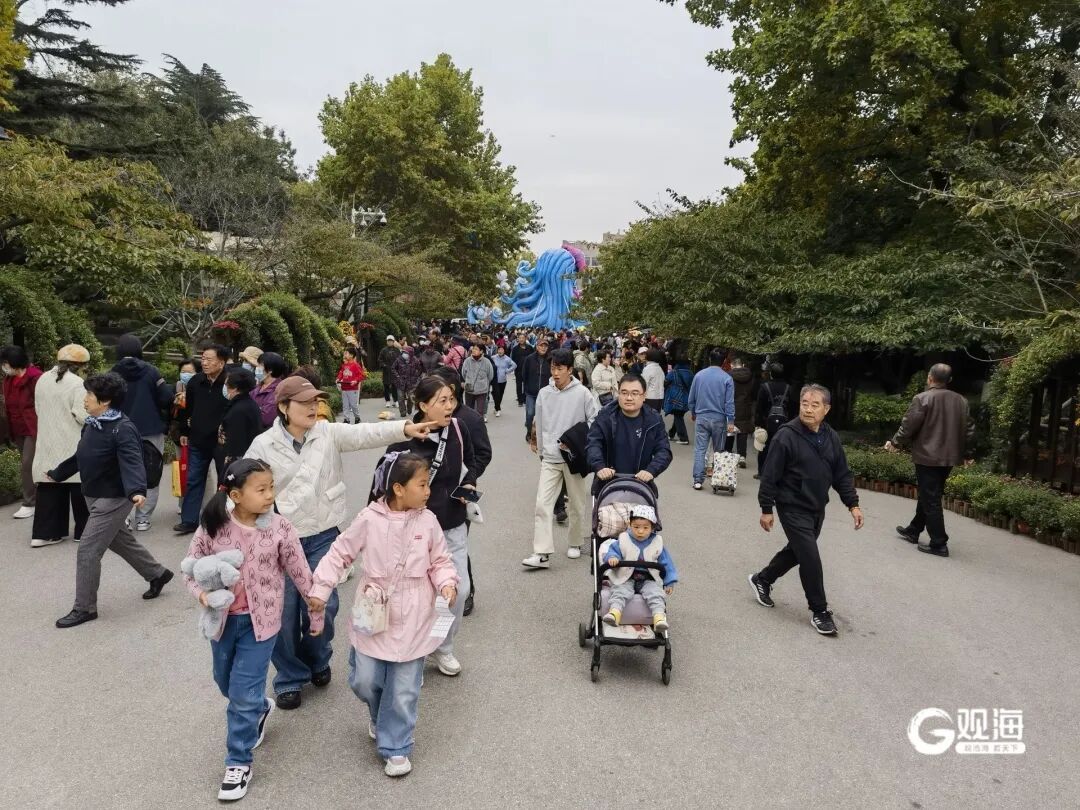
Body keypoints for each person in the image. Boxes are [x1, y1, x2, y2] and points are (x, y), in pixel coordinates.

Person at [244, 377, 431, 710]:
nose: (314, 408)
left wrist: (405, 428)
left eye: (316, 401)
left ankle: (318, 658)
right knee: (283, 614)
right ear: (284, 407)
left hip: (322, 535)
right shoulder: (263, 445)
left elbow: (366, 434)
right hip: (279, 541)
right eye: (304, 403)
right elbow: (245, 487)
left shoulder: (327, 433)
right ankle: (289, 676)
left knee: (323, 607)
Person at [307, 452, 458, 779]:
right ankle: (378, 715)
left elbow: (441, 560)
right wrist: (320, 589)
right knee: (365, 680)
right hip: (372, 605)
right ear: (399, 488)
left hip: (416, 611)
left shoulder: (428, 521)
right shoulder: (368, 519)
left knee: (404, 689)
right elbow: (339, 553)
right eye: (422, 483)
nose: (428, 489)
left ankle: (397, 746)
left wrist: (446, 583)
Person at [183, 458, 320, 802]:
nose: (270, 495)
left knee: (242, 692)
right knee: (224, 682)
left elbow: (300, 571)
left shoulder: (280, 528)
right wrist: (201, 595)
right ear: (236, 494)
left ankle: (238, 761)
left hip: (262, 626)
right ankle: (259, 708)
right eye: (262, 489)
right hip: (222, 623)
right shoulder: (213, 526)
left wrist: (315, 605)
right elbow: (190, 568)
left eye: (272, 487)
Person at [46, 372, 174, 628]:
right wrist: (58, 473)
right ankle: (158, 574)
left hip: (114, 498)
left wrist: (137, 490)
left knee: (88, 550)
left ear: (104, 401)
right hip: (93, 493)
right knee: (120, 540)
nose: (84, 400)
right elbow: (81, 456)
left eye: (89, 395)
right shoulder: (93, 423)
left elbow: (132, 461)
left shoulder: (122, 428)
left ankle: (84, 608)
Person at [749, 384, 863, 636]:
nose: (808, 410)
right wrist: (766, 508)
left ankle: (763, 579)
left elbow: (841, 474)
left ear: (826, 409)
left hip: (816, 506)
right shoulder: (786, 435)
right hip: (791, 505)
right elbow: (770, 475)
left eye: (814, 405)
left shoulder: (830, 437)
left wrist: (852, 504)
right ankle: (819, 610)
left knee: (798, 552)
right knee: (810, 557)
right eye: (804, 404)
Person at [383, 376, 475, 677]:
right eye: (442, 401)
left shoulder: (458, 429)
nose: (451, 406)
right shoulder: (403, 441)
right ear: (423, 406)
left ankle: (442, 647)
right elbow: (385, 486)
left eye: (452, 399)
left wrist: (469, 484)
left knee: (457, 592)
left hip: (452, 524)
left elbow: (471, 462)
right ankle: (417, 653)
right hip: (414, 531)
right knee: (420, 597)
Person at [523, 348, 599, 569]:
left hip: (573, 457)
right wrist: (540, 448)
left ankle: (575, 542)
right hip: (550, 457)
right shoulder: (544, 393)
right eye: (553, 367)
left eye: (560, 368)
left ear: (570, 370)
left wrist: (577, 441)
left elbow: (594, 421)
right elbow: (539, 421)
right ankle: (542, 552)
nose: (555, 373)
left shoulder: (582, 393)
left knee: (576, 503)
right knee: (542, 504)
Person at [428, 366, 492, 619]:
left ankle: (465, 592)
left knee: (455, 548)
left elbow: (482, 455)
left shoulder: (469, 419)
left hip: (456, 500)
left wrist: (469, 480)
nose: (442, 402)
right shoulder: (422, 420)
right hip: (425, 502)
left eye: (444, 395)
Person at [888, 363, 970, 558]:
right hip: (949, 458)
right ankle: (914, 530)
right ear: (949, 380)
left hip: (927, 457)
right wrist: (968, 453)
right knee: (930, 494)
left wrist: (895, 442)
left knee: (931, 498)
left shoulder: (923, 398)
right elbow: (969, 430)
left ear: (929, 377)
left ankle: (939, 543)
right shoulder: (962, 401)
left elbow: (909, 425)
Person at [112, 334, 174, 531]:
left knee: (123, 472)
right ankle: (143, 519)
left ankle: (124, 518)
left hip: (120, 429)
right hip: (151, 429)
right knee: (151, 472)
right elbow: (166, 398)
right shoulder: (152, 372)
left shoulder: (112, 373)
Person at [30, 344, 90, 547]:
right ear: (80, 366)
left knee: (49, 486)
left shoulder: (42, 379)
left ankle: (46, 534)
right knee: (79, 486)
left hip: (47, 440)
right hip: (72, 440)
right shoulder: (77, 383)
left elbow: (38, 409)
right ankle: (83, 532)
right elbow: (83, 415)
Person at [175, 344, 233, 534]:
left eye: (209, 359)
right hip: (198, 439)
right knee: (193, 480)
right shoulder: (195, 382)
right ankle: (189, 520)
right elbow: (187, 409)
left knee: (222, 482)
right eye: (203, 358)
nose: (204, 363)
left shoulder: (229, 383)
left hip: (220, 442)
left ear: (222, 362)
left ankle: (219, 520)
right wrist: (184, 431)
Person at [586, 373, 672, 495]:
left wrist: (650, 471)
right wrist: (599, 467)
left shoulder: (653, 420)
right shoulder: (605, 417)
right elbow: (593, 443)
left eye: (635, 393)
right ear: (619, 394)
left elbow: (664, 451)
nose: (629, 398)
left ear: (644, 395)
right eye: (624, 393)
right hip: (608, 485)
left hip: (640, 484)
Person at [600, 504, 677, 631]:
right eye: (636, 527)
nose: (640, 531)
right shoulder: (623, 539)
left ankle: (658, 617)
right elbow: (613, 551)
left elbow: (667, 563)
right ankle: (615, 613)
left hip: (649, 578)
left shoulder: (657, 542)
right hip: (626, 576)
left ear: (652, 527)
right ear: (630, 525)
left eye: (645, 528)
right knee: (620, 591)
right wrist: (613, 558)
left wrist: (670, 582)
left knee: (656, 593)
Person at [1, 344, 42, 519]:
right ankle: (39, 496)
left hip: (33, 428)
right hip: (17, 428)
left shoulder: (35, 378)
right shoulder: (8, 380)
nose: (4, 367)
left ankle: (29, 502)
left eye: (5, 363)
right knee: (29, 465)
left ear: (14, 362)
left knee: (27, 464)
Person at [688, 348, 736, 490]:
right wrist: (731, 421)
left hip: (702, 417)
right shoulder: (727, 378)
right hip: (719, 419)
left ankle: (698, 479)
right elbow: (729, 402)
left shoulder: (699, 376)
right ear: (723, 362)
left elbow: (691, 398)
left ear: (709, 359)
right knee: (718, 450)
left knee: (700, 449)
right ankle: (718, 479)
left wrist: (693, 411)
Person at [216, 369, 263, 475]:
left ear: (235, 388)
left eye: (226, 385)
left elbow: (236, 445)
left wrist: (230, 470)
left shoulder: (239, 410)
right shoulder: (247, 404)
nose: (225, 388)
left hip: (237, 463)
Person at [754, 362, 792, 479]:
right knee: (782, 446)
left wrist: (758, 423)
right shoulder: (788, 388)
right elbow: (792, 406)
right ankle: (780, 472)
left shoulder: (765, 387)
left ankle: (762, 472)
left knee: (764, 446)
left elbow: (759, 406)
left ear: (771, 374)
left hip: (767, 421)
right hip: (784, 422)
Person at [726, 356, 756, 466]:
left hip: (732, 405)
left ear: (732, 365)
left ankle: (727, 454)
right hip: (745, 406)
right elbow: (753, 392)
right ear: (742, 365)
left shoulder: (729, 376)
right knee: (742, 431)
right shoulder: (750, 376)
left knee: (730, 431)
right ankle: (742, 456)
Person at [521, 338, 552, 440]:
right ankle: (529, 432)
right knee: (530, 413)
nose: (543, 348)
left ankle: (541, 434)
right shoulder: (529, 359)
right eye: (541, 346)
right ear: (537, 347)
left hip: (546, 394)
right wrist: (527, 387)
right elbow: (524, 374)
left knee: (544, 416)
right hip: (531, 392)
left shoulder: (550, 359)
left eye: (545, 346)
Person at [251, 352, 290, 429]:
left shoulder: (278, 391)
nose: (257, 367)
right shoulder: (258, 386)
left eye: (260, 365)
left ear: (270, 370)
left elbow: (265, 419)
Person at [663, 354, 693, 445]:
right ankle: (671, 434)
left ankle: (683, 438)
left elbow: (666, 382)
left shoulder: (674, 372)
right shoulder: (690, 373)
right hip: (686, 398)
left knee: (678, 416)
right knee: (678, 415)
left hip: (675, 397)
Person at [461, 343, 495, 421]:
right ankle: (470, 426)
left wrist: (483, 383)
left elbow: (490, 375)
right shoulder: (467, 361)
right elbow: (463, 374)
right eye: (473, 348)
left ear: (481, 351)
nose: (473, 350)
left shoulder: (486, 362)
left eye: (476, 349)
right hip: (469, 389)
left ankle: (478, 426)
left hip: (482, 390)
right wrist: (469, 381)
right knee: (469, 410)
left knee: (480, 411)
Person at [390, 344, 422, 417]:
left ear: (410, 354)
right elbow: (393, 368)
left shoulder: (415, 360)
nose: (405, 354)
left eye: (406, 353)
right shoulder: (399, 359)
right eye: (404, 352)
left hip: (411, 383)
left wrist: (416, 377)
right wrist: (397, 376)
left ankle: (409, 409)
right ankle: (403, 412)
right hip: (400, 382)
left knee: (410, 398)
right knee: (400, 397)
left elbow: (420, 369)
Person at [336, 346, 365, 425]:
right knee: (345, 405)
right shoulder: (344, 365)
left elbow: (361, 375)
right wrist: (338, 379)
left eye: (347, 353)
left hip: (352, 389)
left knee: (353, 405)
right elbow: (341, 373)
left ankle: (357, 417)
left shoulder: (355, 365)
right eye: (345, 353)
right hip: (344, 388)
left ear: (352, 355)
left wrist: (355, 381)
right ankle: (346, 419)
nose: (345, 355)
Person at [490, 344, 516, 417]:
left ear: (504, 350)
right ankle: (498, 409)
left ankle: (496, 407)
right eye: (499, 349)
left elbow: (514, 365)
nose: (500, 351)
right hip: (494, 379)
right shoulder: (493, 357)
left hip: (503, 380)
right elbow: (489, 364)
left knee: (500, 395)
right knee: (496, 394)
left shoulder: (507, 359)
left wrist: (507, 371)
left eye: (502, 350)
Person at [510, 333, 533, 406]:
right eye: (520, 338)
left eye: (523, 338)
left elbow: (533, 358)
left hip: (528, 370)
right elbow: (513, 360)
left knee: (527, 385)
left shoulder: (530, 348)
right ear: (518, 339)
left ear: (525, 339)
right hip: (518, 370)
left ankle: (525, 398)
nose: (521, 339)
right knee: (519, 385)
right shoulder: (515, 349)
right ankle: (520, 400)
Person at [378, 336, 401, 407]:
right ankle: (387, 401)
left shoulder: (397, 350)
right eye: (388, 341)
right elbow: (380, 359)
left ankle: (395, 401)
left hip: (395, 371)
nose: (390, 342)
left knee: (395, 386)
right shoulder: (383, 350)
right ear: (387, 342)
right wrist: (384, 365)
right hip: (386, 370)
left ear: (393, 342)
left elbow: (400, 359)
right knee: (386, 386)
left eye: (391, 341)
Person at [641, 348, 666, 412]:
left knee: (649, 417)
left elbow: (644, 384)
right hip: (660, 397)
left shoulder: (648, 369)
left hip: (650, 397)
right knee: (656, 417)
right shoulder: (659, 368)